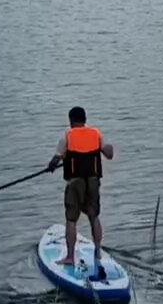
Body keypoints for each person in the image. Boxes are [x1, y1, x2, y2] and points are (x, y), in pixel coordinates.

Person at [47, 106, 114, 277]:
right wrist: (100, 148)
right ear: (85, 120)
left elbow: (57, 157)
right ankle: (98, 250)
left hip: (75, 181)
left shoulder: (67, 136)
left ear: (71, 120)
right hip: (93, 180)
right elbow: (109, 153)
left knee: (71, 219)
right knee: (94, 216)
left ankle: (70, 257)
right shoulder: (96, 133)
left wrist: (52, 165)